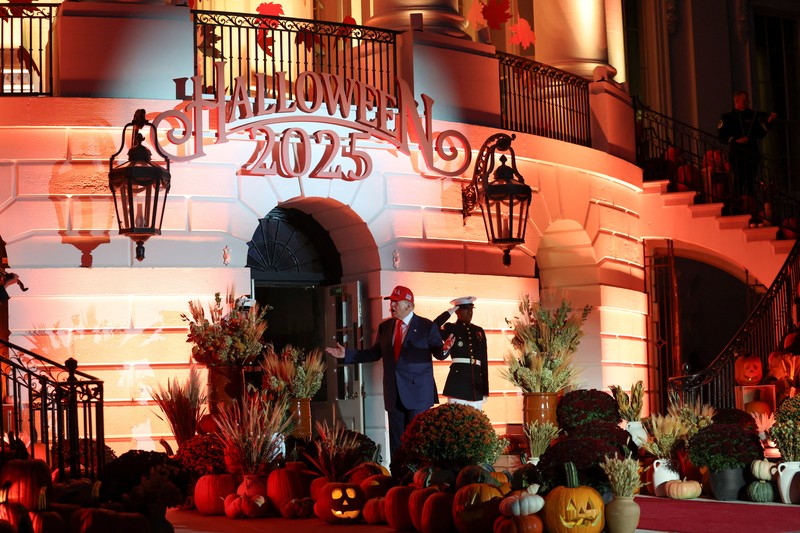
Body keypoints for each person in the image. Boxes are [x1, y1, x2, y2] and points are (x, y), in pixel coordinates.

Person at [325, 285, 453, 461]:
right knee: (397, 444)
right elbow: (374, 353)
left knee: (418, 443)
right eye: (391, 301)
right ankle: (397, 475)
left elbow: (439, 353)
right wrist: (347, 354)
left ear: (409, 306)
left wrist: (446, 349)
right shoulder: (385, 327)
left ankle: (419, 476)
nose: (391, 306)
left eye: (395, 302)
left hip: (418, 394)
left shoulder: (426, 326)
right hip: (394, 393)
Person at [717, 90, 777, 222]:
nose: (747, 102)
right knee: (738, 181)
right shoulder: (727, 117)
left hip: (751, 154)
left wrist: (769, 122)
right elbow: (721, 136)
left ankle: (751, 210)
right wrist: (735, 140)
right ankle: (737, 209)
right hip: (737, 154)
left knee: (750, 182)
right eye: (744, 100)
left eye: (747, 100)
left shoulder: (752, 115)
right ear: (736, 101)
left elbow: (760, 134)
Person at [434, 296, 489, 410]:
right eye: (466, 309)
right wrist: (449, 312)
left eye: (471, 309)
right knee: (456, 417)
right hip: (458, 382)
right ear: (457, 311)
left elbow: (483, 360)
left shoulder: (478, 331)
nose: (470, 313)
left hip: (476, 384)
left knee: (477, 419)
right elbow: (433, 327)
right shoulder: (450, 328)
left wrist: (485, 389)